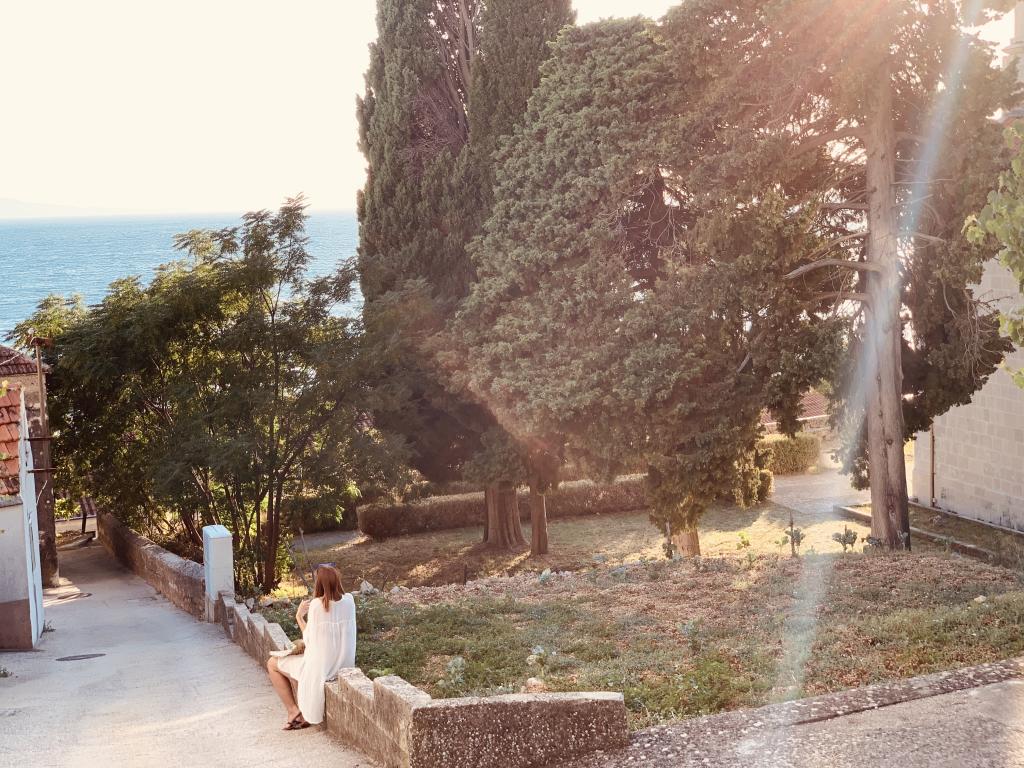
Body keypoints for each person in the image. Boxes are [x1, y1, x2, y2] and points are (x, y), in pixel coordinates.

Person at [266, 565, 356, 730]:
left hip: (321, 669)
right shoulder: (350, 601)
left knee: (272, 663)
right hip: (343, 666)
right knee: (296, 664)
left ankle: (293, 711)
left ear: (319, 583)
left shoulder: (316, 605)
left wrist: (299, 616)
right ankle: (301, 712)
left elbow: (309, 639)